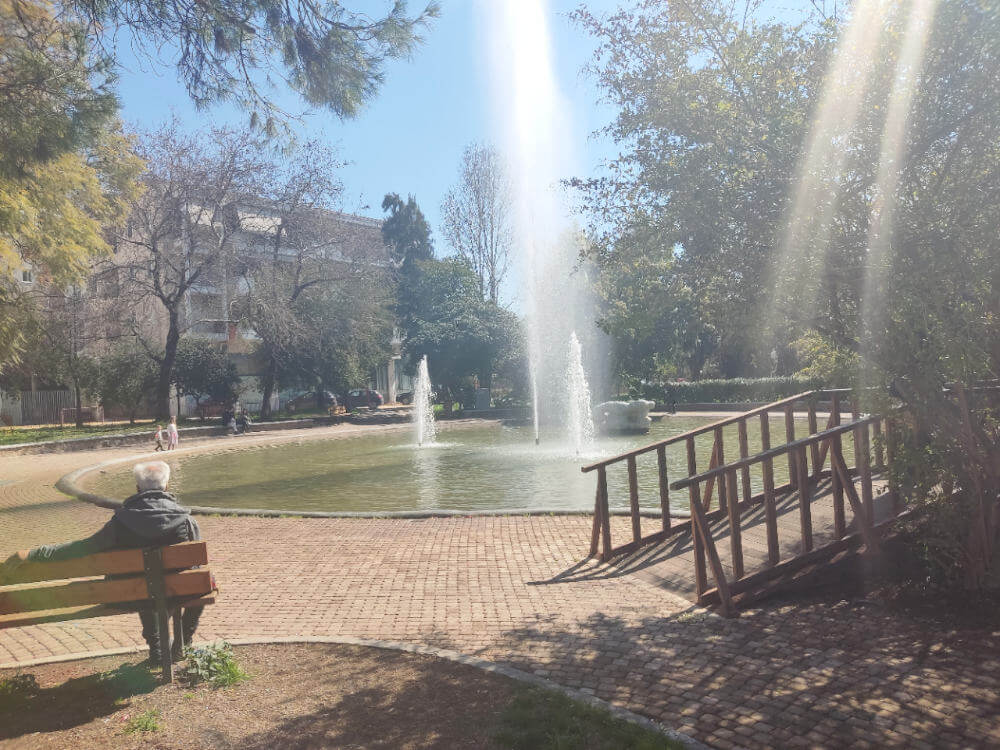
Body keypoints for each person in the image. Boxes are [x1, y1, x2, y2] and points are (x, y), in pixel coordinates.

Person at [0, 461, 204, 664]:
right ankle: (183, 642)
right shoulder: (186, 520)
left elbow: (81, 549)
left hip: (129, 596)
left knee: (140, 583)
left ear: (137, 488)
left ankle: (157, 649)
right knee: (200, 582)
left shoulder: (120, 522)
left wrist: (34, 553)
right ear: (167, 486)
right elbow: (195, 569)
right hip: (176, 594)